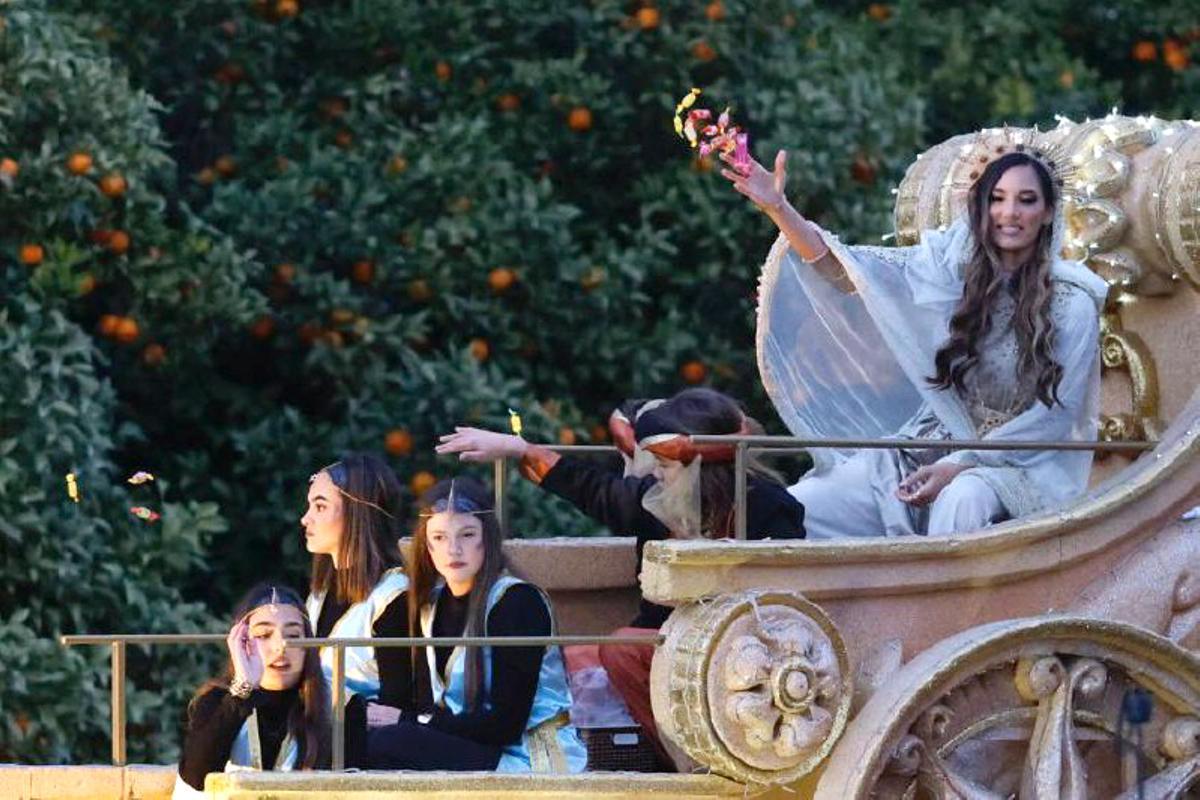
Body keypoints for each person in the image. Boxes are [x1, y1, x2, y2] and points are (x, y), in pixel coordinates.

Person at [721, 134, 1107, 537]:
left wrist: (960, 463)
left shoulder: (1072, 303)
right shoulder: (947, 268)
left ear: (1048, 212)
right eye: (997, 198)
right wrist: (779, 208)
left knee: (962, 498)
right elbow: (848, 273)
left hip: (1017, 465)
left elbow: (1053, 419)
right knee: (802, 507)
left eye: (1026, 200)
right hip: (922, 448)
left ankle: (943, 581)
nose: (1009, 213)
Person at [436, 387, 805, 767]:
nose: (655, 473)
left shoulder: (769, 508)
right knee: (566, 661)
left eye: (665, 465)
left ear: (700, 466)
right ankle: (586, 765)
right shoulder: (660, 501)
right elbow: (593, 489)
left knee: (622, 649)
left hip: (735, 648)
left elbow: (780, 605)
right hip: (667, 639)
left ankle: (697, 764)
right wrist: (520, 449)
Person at [365, 477, 587, 772]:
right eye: (440, 537)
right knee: (361, 737)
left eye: (467, 535)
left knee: (392, 742)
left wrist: (408, 721)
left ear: (488, 538)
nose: (453, 549)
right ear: (427, 546)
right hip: (470, 744)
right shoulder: (429, 605)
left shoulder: (517, 602)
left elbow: (505, 725)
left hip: (528, 754)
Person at [172, 584, 328, 798]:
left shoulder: (340, 707)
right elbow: (196, 777)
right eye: (264, 635)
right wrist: (243, 689)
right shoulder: (216, 700)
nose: (280, 647)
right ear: (241, 643)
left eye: (293, 635)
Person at [302, 454, 412, 706]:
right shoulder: (319, 593)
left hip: (363, 728)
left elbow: (397, 703)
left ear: (357, 512)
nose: (305, 519)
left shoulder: (394, 596)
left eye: (320, 507)